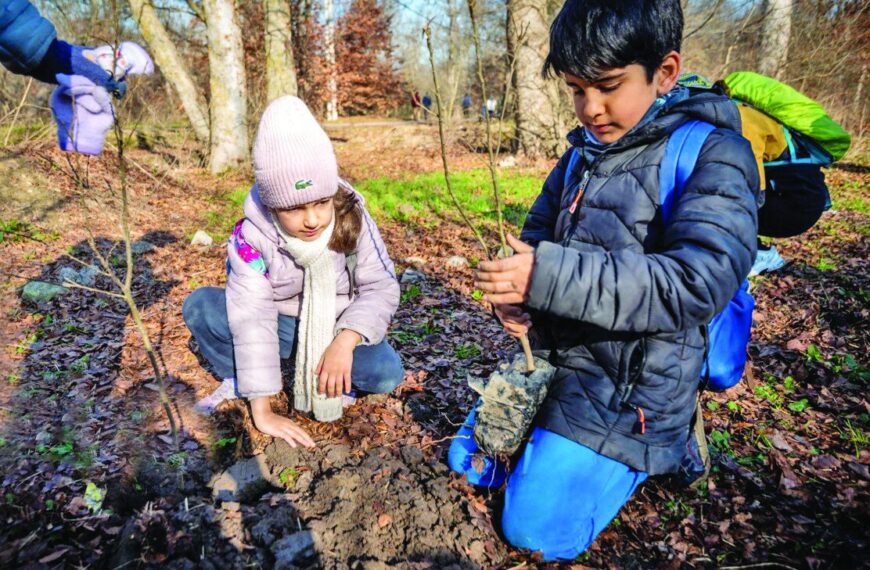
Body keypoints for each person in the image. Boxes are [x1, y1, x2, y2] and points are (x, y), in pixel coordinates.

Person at [452, 0, 758, 560]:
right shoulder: (580, 154)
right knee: (470, 465)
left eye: (609, 86)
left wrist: (545, 277)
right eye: (576, 89)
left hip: (635, 392)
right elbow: (535, 242)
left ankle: (668, 445)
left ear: (664, 72)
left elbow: (697, 281)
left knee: (535, 531)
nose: (590, 108)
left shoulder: (716, 153)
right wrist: (519, 299)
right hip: (558, 364)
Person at [182, 96, 404, 448]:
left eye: (320, 202)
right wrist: (263, 411)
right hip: (279, 323)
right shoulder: (251, 237)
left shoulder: (352, 214)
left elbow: (381, 287)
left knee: (385, 374)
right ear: (272, 206)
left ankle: (327, 366)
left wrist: (345, 341)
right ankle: (240, 377)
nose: (313, 219)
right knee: (202, 307)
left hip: (336, 323)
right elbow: (253, 318)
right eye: (295, 208)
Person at [0, 0, 152, 154]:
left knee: (68, 63)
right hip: (23, 40)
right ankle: (80, 139)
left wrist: (111, 83)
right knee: (66, 65)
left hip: (24, 40)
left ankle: (111, 64)